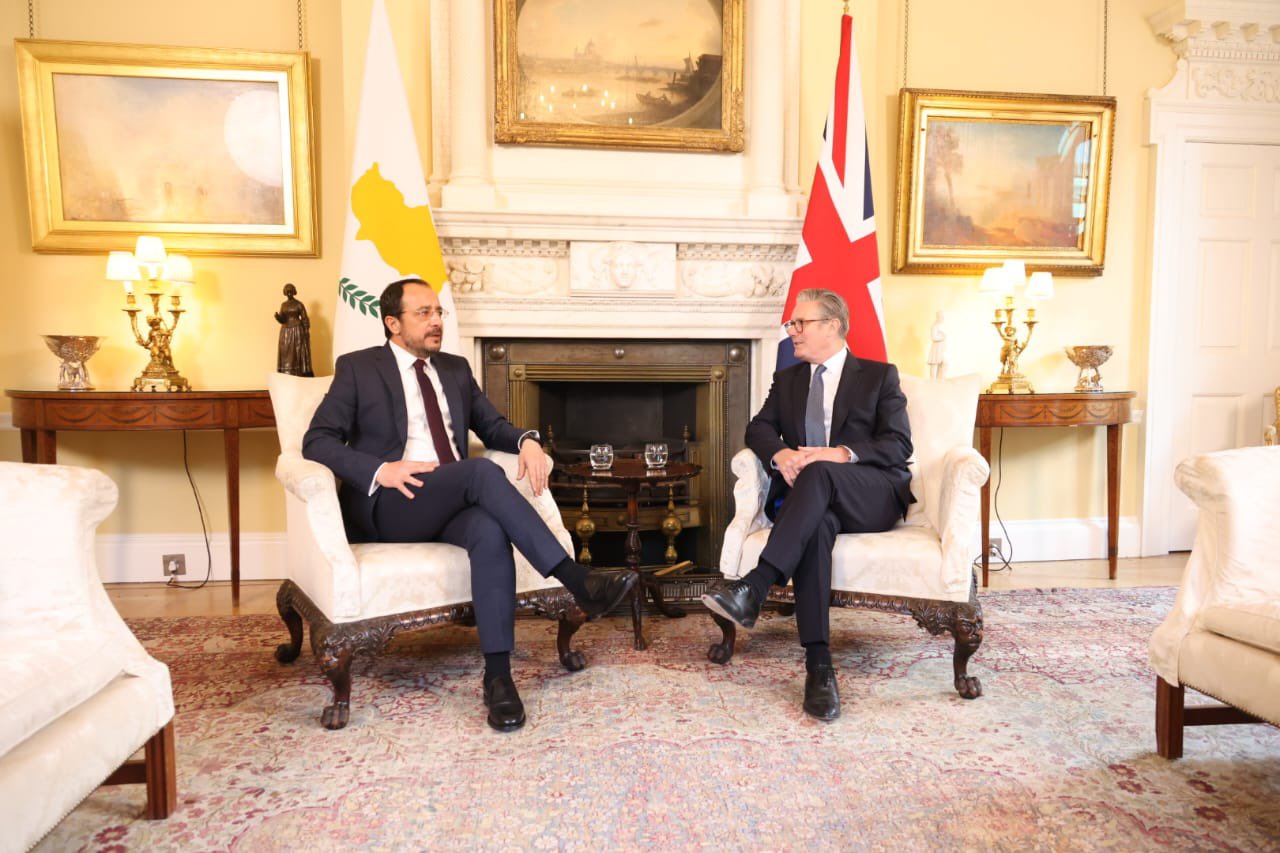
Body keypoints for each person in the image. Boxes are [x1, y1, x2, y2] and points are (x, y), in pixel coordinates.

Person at [303, 277, 637, 732]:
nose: (436, 321)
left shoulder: (455, 369)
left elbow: (492, 426)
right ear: (393, 323)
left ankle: (498, 678)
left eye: (438, 312)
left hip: (449, 498)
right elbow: (317, 440)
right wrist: (382, 470)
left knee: (489, 531)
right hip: (393, 503)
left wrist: (528, 441)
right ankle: (577, 579)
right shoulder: (359, 368)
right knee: (480, 472)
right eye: (424, 313)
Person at [701, 288, 913, 721]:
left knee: (819, 469)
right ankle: (819, 666)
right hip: (811, 504)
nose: (792, 331)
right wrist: (781, 454)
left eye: (801, 323)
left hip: (870, 494)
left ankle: (757, 584)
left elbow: (898, 444)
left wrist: (838, 454)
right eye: (792, 323)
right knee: (816, 526)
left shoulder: (878, 376)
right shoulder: (790, 380)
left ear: (832, 326)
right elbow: (758, 429)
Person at [275, 283, 314, 377]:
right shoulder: (283, 305)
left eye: (290, 291)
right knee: (286, 352)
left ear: (293, 292)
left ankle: (299, 371)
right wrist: (278, 317)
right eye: (287, 292)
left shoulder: (298, 304)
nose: (289, 294)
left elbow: (304, 318)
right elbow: (283, 320)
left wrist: (306, 330)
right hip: (286, 331)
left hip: (297, 330)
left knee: (297, 352)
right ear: (285, 293)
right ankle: (286, 371)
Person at [927, 310, 947, 379]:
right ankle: (933, 379)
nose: (943, 318)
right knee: (934, 363)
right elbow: (933, 337)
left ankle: (939, 379)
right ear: (938, 317)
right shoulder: (935, 326)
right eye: (941, 317)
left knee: (943, 363)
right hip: (936, 348)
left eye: (943, 317)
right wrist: (942, 337)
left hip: (940, 348)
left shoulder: (940, 326)